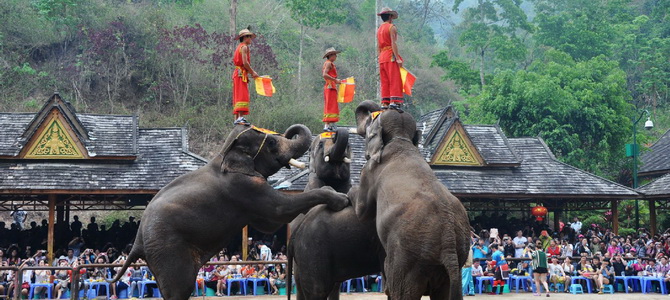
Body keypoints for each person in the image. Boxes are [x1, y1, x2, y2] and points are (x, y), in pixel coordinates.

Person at [376, 7, 404, 110]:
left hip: (382, 57)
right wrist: (398, 58)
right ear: (390, 17)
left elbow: (378, 46)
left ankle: (385, 102)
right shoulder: (391, 27)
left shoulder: (379, 29)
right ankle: (395, 101)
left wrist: (380, 57)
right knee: (394, 78)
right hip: (389, 55)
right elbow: (393, 43)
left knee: (385, 80)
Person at [232, 28, 260, 125]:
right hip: (240, 74)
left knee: (238, 94)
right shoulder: (244, 47)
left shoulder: (239, 47)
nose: (251, 40)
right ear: (245, 38)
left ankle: (237, 118)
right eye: (250, 38)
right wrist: (252, 72)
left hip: (238, 73)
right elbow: (245, 62)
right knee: (242, 94)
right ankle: (240, 117)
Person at [321, 47, 342, 132]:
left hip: (331, 86)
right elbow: (324, 75)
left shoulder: (330, 63)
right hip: (330, 86)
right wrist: (335, 80)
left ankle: (331, 124)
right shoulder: (328, 63)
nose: (336, 56)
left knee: (332, 105)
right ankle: (328, 125)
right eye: (334, 55)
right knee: (330, 105)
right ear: (330, 56)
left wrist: (337, 81)